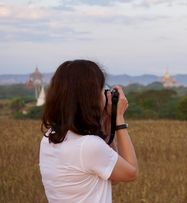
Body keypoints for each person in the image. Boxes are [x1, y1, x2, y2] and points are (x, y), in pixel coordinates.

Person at [39, 60, 139, 203]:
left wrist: (106, 123)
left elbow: (113, 176)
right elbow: (131, 172)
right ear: (90, 98)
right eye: (101, 90)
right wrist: (119, 119)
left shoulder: (50, 137)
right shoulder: (88, 145)